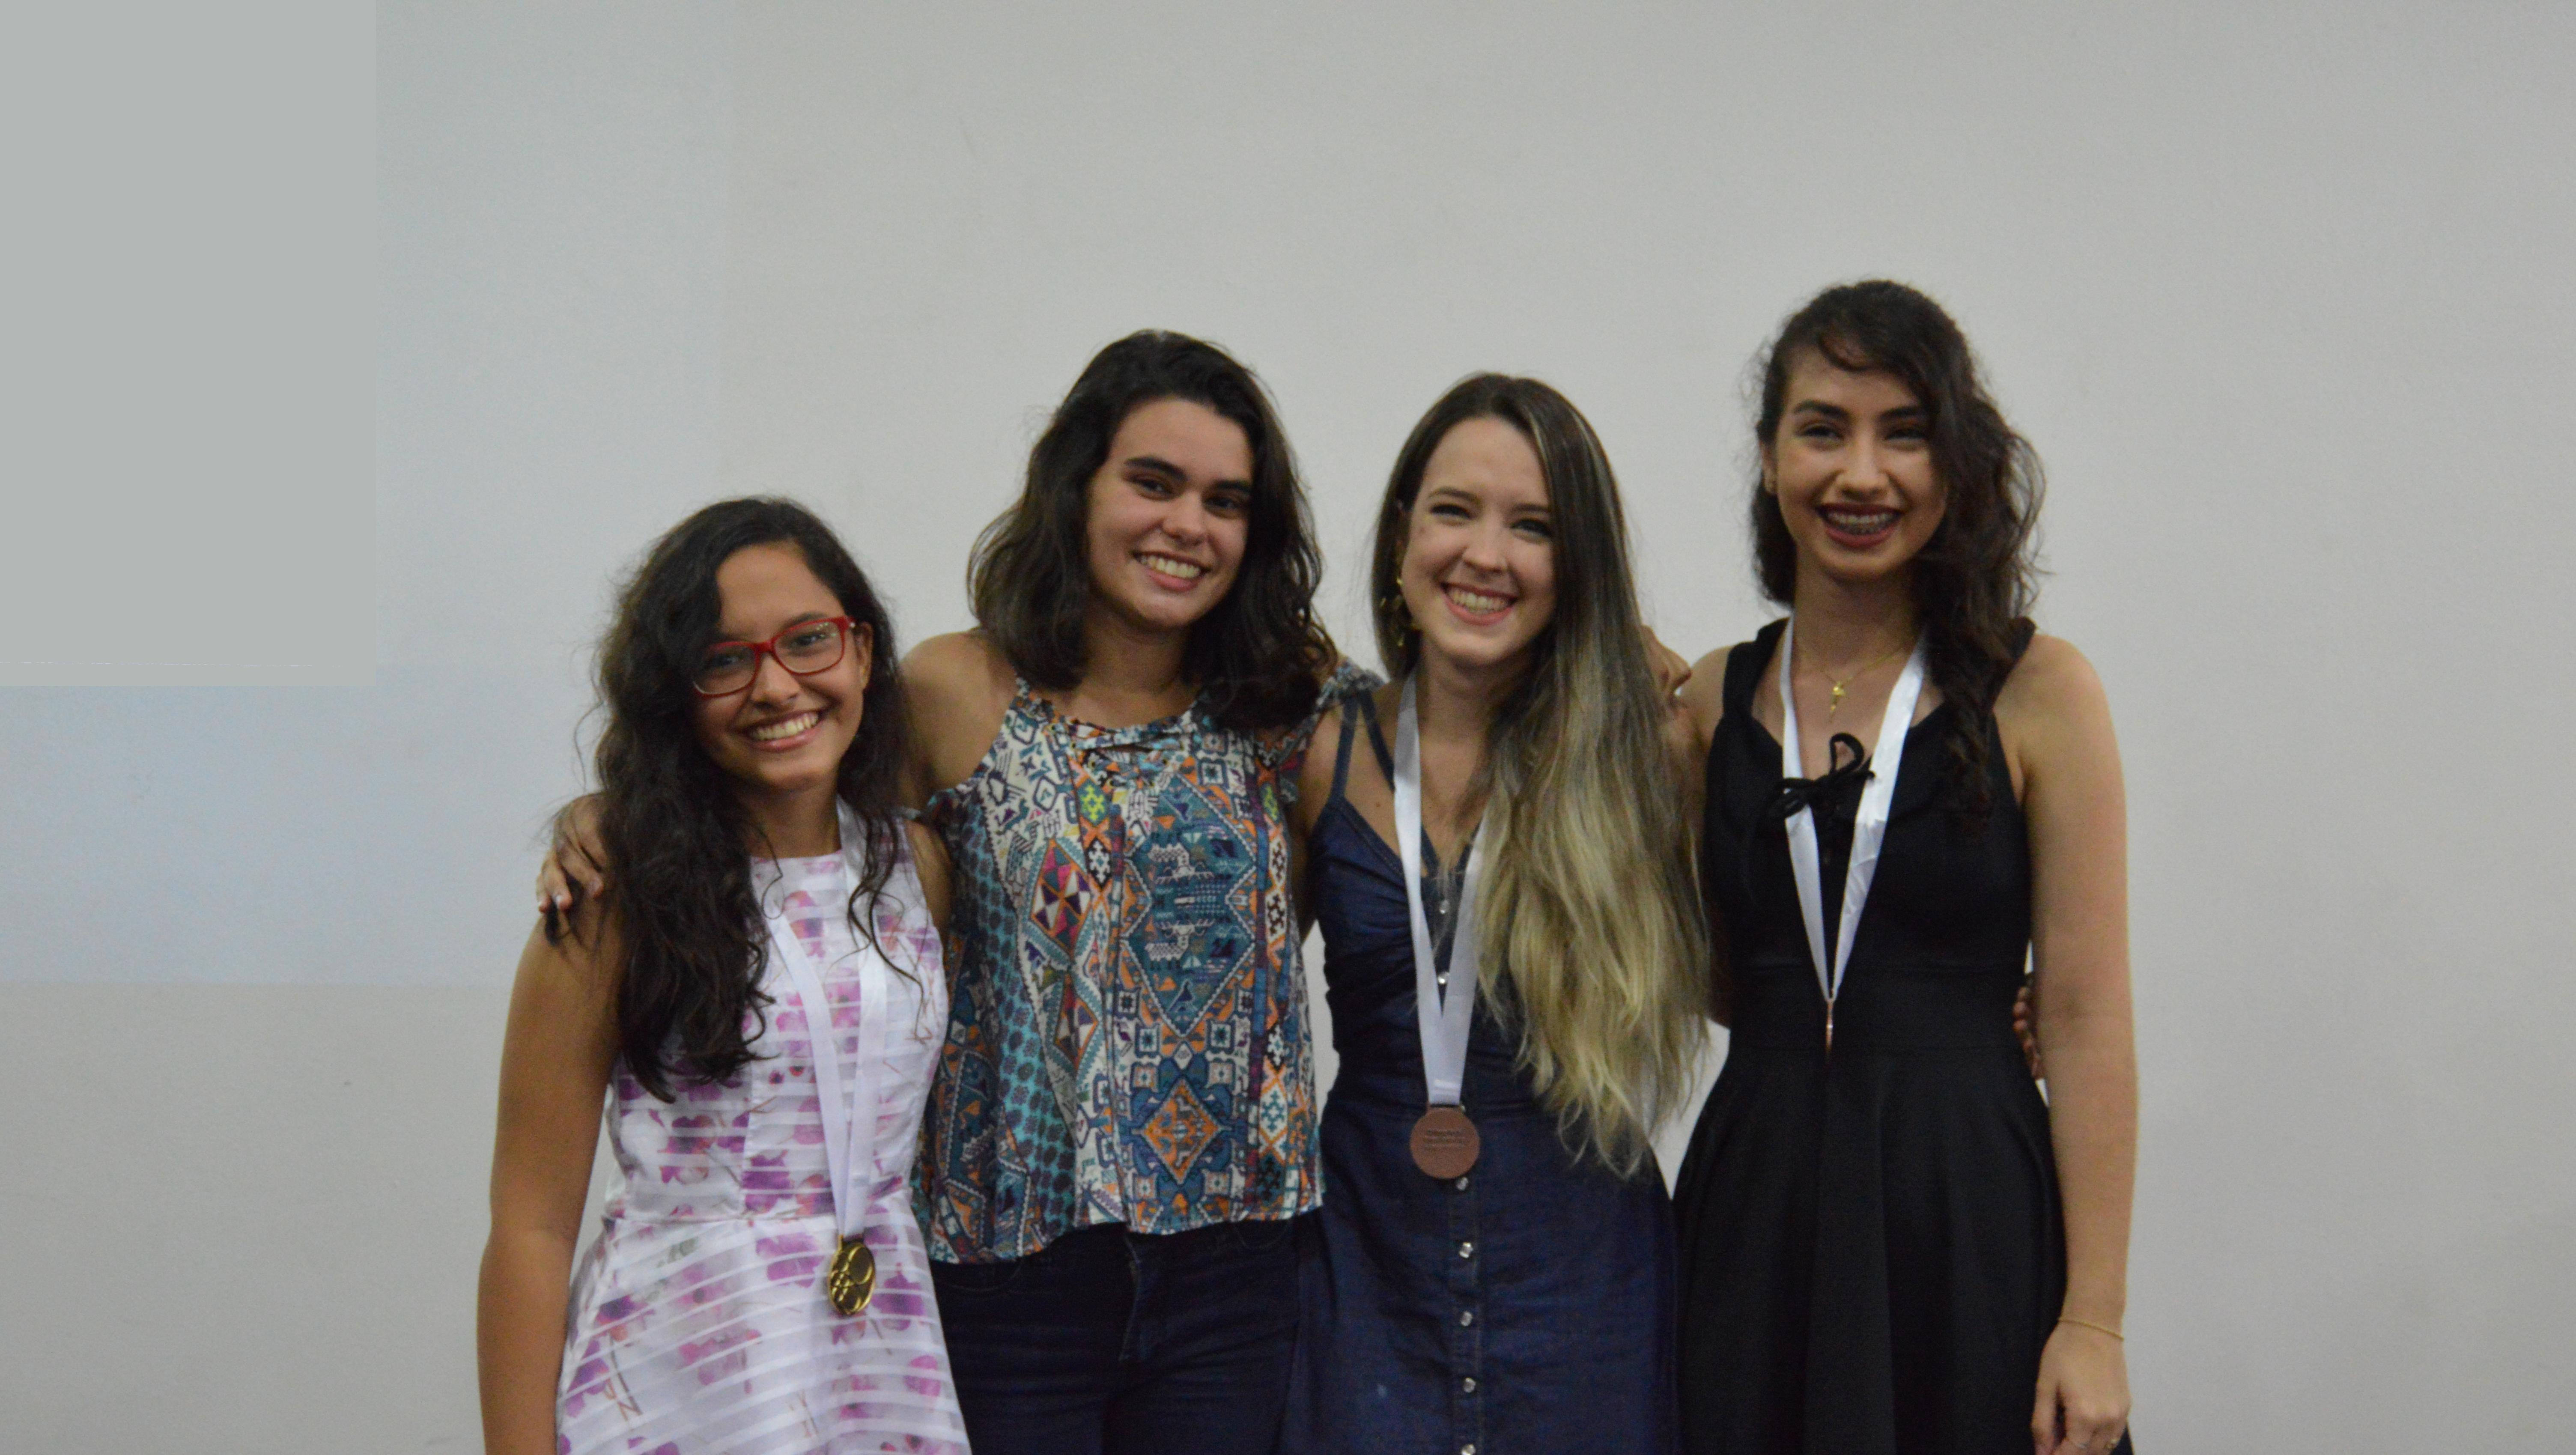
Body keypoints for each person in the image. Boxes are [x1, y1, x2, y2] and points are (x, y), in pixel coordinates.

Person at [1670, 281, 2138, 1455]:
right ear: (1771, 457)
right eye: (1823, 427)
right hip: (1760, 1204)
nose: (1861, 474)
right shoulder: (1708, 699)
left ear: (1957, 461)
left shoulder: (2043, 690)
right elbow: (1720, 979)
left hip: (1964, 1206)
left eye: (1905, 432)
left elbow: (2082, 1015)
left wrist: (2095, 1317)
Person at [480, 498, 970, 1454]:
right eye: (723, 660)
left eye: (807, 641)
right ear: (675, 694)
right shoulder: (614, 899)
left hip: (878, 1355)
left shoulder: (920, 869)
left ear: (863, 651)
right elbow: (531, 1229)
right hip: (678, 1373)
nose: (775, 684)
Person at [1279, 376, 1708, 1454]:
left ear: (1578, 569)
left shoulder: (1644, 754)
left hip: (1581, 1283)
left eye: (1534, 528)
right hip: (1366, 1271)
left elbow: (1763, 969)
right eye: (1454, 511)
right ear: (1398, 536)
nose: (1486, 554)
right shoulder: (1320, 753)